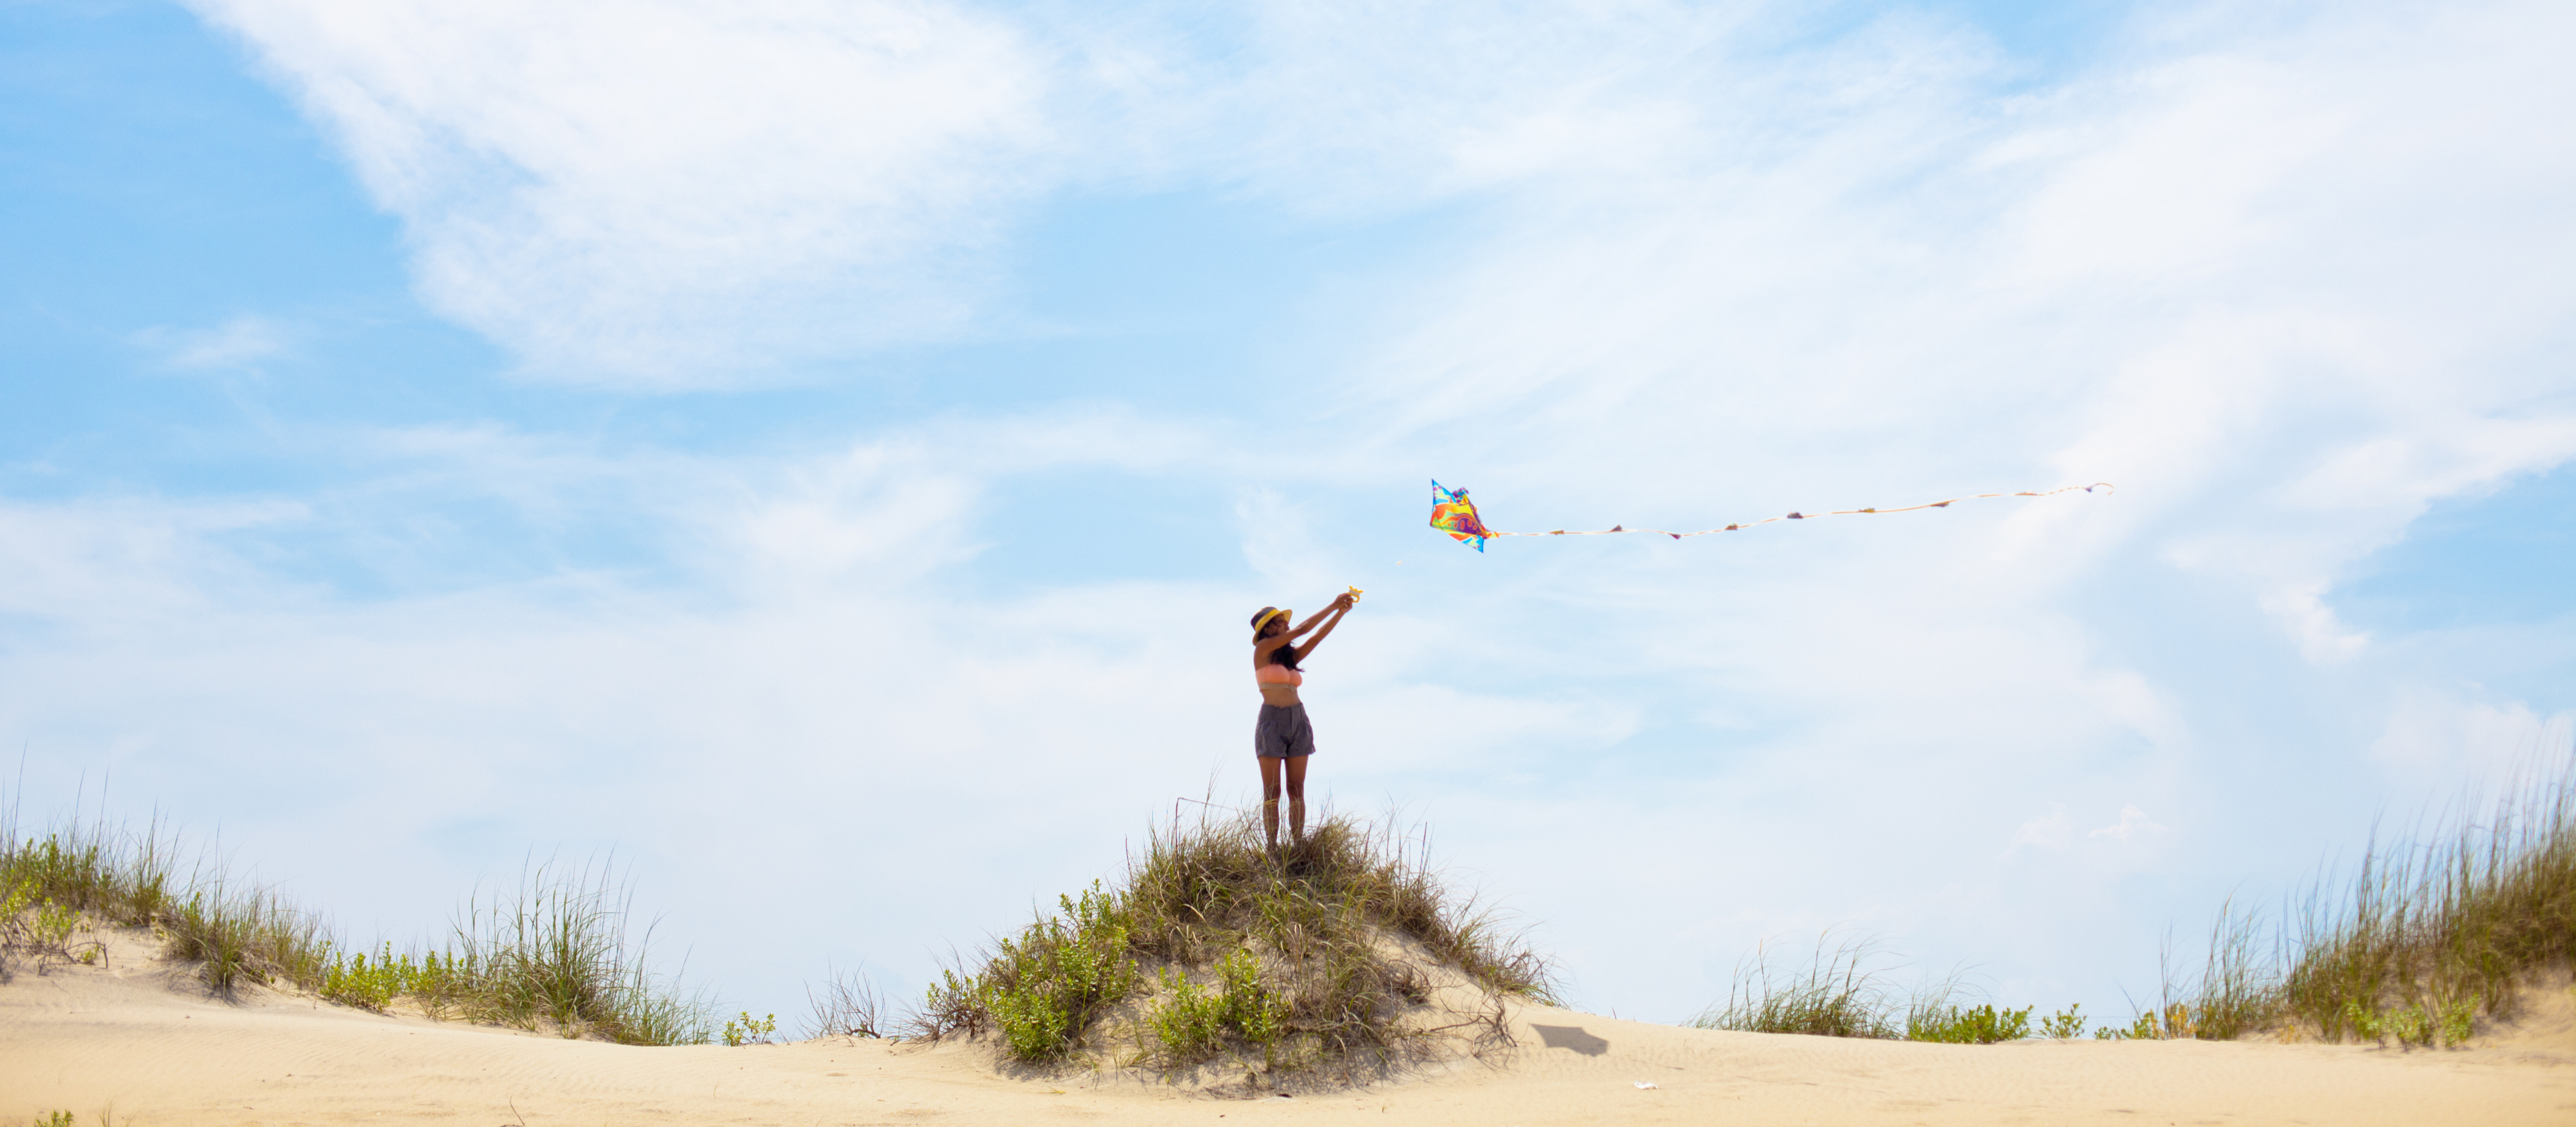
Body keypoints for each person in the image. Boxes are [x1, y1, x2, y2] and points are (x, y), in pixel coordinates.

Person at [1248, 591, 1355, 851]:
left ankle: (1297, 846)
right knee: (1272, 792)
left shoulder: (1289, 658)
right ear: (1268, 630)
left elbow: (1316, 637)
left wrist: (1341, 612)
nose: (1285, 624)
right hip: (1271, 720)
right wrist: (1333, 603)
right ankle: (1272, 849)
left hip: (1298, 719)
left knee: (1296, 789)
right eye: (1279, 622)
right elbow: (1304, 629)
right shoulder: (1262, 651)